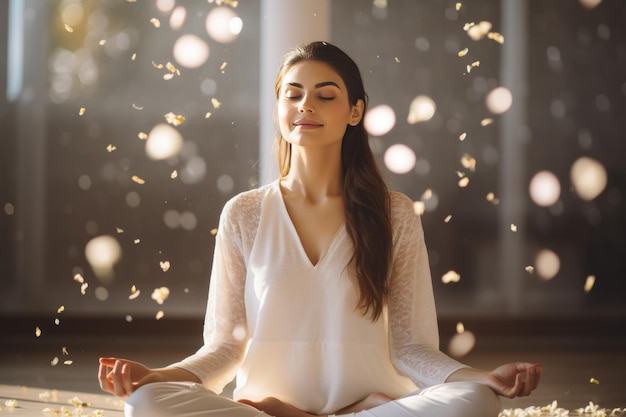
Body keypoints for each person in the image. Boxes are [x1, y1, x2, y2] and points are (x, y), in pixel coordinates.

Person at [98, 41, 541, 417]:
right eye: (292, 95)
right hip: (258, 410)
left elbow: (411, 347)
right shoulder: (244, 213)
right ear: (278, 108)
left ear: (354, 111)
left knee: (473, 402)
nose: (305, 105)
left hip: (375, 407)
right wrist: (155, 377)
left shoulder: (395, 214)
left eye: (325, 96)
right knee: (146, 403)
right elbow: (225, 349)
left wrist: (482, 377)